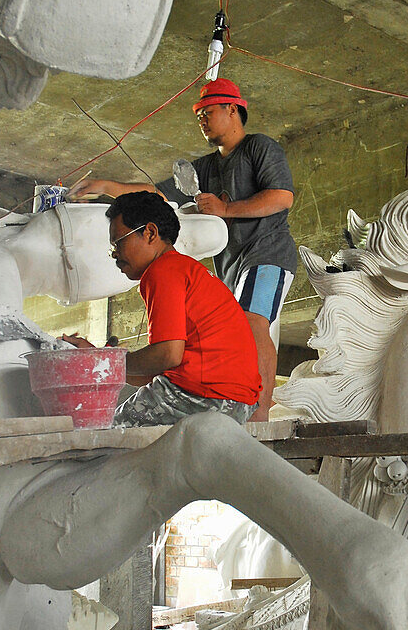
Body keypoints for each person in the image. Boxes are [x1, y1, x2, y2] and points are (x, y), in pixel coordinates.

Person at [71, 79, 296, 421]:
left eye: (207, 112)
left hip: (268, 253)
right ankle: (250, 406)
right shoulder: (205, 168)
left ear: (233, 109)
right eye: (198, 115)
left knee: (253, 321)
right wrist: (107, 186)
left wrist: (225, 210)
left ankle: (260, 413)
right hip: (231, 261)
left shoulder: (258, 148)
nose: (202, 120)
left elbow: (282, 197)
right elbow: (157, 194)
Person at [60, 192, 261, 426]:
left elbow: (168, 354)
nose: (115, 254)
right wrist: (98, 358)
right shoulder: (186, 269)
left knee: (102, 432)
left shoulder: (162, 271)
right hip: (236, 402)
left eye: (118, 242)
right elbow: (159, 368)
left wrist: (104, 362)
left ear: (150, 233)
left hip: (204, 396)